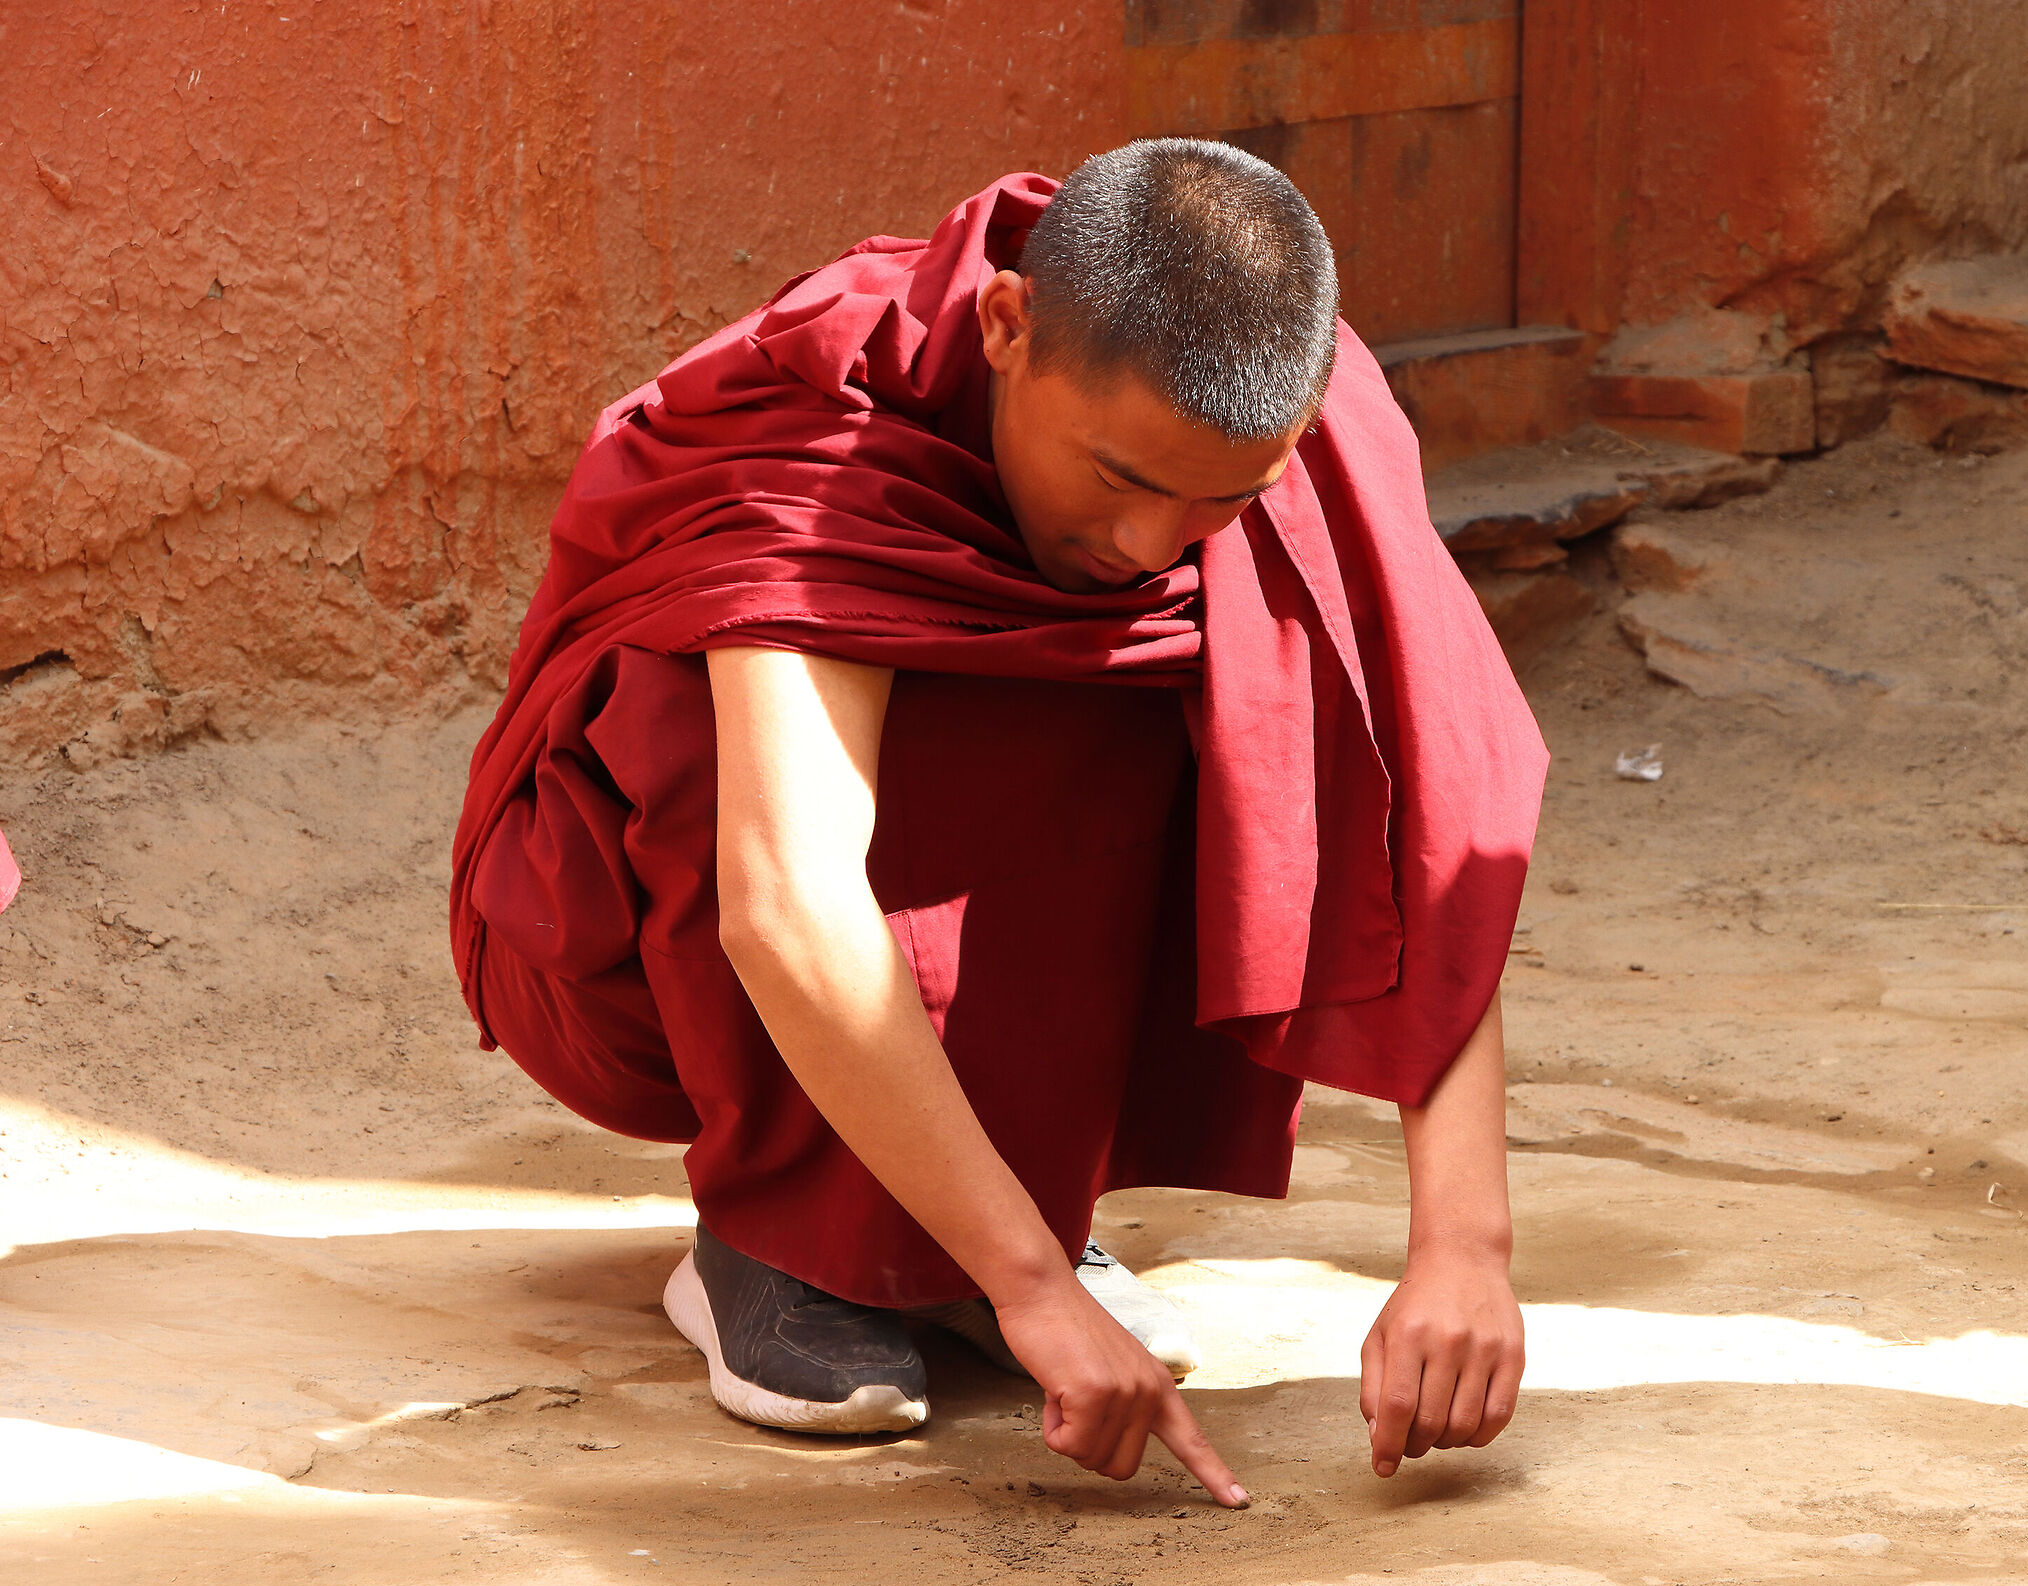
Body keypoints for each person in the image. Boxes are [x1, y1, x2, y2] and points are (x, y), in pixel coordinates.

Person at [450, 140, 1547, 1509]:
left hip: (945, 976)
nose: (1153, 540)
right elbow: (786, 893)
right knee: (719, 708)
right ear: (1008, 327)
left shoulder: (1288, 426)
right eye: (1116, 475)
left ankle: (1010, 1207)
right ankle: (779, 1240)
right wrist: (1032, 1294)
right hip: (637, 967)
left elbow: (1424, 810)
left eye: (1217, 497)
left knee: (1251, 668)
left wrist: (1465, 1247)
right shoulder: (827, 431)